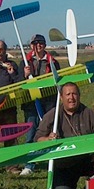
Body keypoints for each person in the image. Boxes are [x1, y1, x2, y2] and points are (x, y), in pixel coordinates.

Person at [35, 81, 94, 189]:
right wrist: (48, 139)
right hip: (64, 164)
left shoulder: (89, 114)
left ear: (79, 96)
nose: (71, 97)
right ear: (61, 98)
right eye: (68, 94)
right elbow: (38, 139)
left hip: (87, 160)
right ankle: (68, 188)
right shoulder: (52, 115)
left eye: (74, 94)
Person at [19, 34, 59, 175]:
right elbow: (18, 82)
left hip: (48, 103)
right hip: (31, 104)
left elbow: (58, 80)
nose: (38, 45)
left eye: (41, 42)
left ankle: (52, 162)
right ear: (31, 45)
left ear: (45, 45)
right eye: (35, 43)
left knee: (49, 133)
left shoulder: (53, 62)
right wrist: (24, 75)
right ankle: (29, 165)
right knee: (30, 135)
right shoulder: (25, 61)